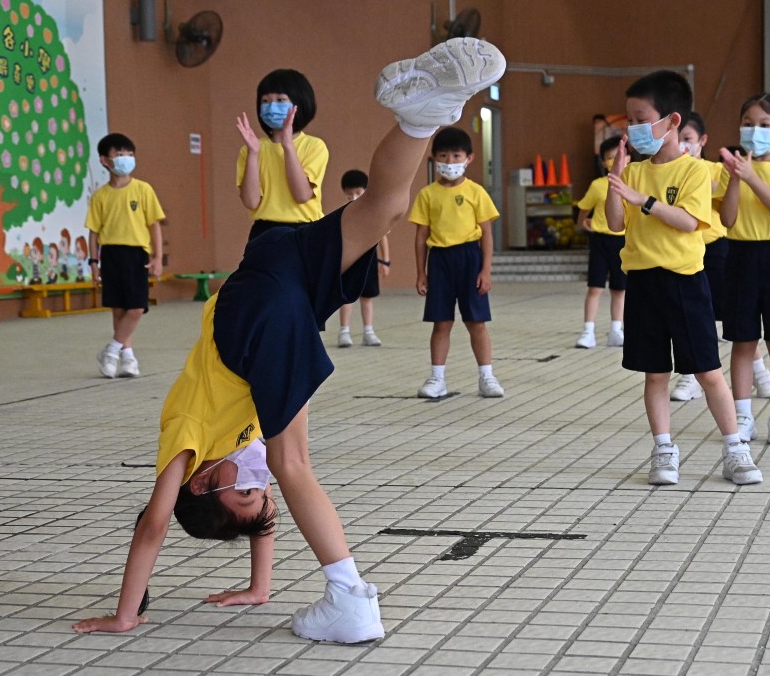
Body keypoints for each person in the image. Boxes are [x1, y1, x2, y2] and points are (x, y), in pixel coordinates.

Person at [71, 36, 507, 642]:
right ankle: (424, 114)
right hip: (280, 266)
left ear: (201, 481)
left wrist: (126, 615)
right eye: (258, 493)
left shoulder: (188, 442)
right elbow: (263, 524)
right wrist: (259, 587)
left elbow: (151, 525)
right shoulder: (238, 456)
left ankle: (351, 599)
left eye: (243, 488)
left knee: (292, 461)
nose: (257, 483)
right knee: (385, 206)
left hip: (253, 314)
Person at [605, 71, 761, 487]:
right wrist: (617, 181)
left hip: (684, 282)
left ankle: (735, 449)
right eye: (629, 120)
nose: (633, 128)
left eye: (641, 119)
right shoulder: (634, 172)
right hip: (643, 282)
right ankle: (663, 450)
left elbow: (691, 221)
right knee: (654, 373)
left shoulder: (693, 171)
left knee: (708, 371)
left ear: (672, 121)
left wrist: (646, 201)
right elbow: (615, 222)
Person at [716, 94, 770, 444]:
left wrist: (751, 176)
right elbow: (727, 218)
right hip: (738, 256)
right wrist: (737, 177)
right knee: (743, 340)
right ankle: (742, 415)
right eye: (748, 124)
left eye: (763, 125)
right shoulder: (732, 168)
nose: (754, 131)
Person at [671, 113, 770, 402]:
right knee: (689, 318)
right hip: (681, 253)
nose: (682, 145)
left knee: (737, 317)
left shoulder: (718, 170)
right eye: (678, 139)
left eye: (688, 139)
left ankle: (760, 372)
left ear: (702, 141)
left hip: (717, 251)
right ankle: (689, 377)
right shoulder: (668, 171)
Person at [411, 126, 504, 399]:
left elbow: (486, 233)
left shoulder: (476, 192)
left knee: (476, 322)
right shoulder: (427, 194)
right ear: (434, 158)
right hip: (439, 260)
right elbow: (420, 237)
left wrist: (486, 270)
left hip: (469, 258)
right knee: (441, 323)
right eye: (443, 156)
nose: (449, 162)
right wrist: (421, 272)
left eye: (455, 156)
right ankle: (436, 378)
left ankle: (486, 376)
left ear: (469, 158)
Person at [86, 133, 165, 379]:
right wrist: (94, 263)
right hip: (110, 254)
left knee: (137, 307)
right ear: (105, 160)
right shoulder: (100, 196)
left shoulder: (143, 189)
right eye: (120, 155)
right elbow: (93, 233)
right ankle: (128, 358)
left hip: (136, 254)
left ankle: (110, 350)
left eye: (130, 155)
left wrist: (158, 257)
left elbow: (154, 225)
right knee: (119, 308)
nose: (126, 159)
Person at [237, 69, 327, 242]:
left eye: (280, 100)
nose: (271, 106)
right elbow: (251, 202)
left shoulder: (314, 146)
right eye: (265, 101)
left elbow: (301, 196)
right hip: (263, 232)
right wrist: (253, 154)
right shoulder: (249, 149)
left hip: (303, 231)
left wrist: (287, 146)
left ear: (298, 104)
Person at [575, 135, 625, 349]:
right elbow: (583, 208)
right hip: (600, 241)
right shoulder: (598, 185)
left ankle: (616, 330)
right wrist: (582, 223)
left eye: (618, 156)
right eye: (609, 157)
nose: (613, 161)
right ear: (603, 162)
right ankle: (588, 331)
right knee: (595, 287)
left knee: (620, 289)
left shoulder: (634, 183)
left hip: (623, 241)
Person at [337, 169, 391, 347]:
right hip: (349, 259)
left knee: (367, 297)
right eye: (350, 194)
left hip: (369, 260)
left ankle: (368, 331)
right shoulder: (343, 213)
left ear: (366, 191)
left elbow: (382, 236)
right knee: (347, 297)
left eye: (358, 192)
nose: (354, 196)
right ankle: (344, 332)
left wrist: (385, 260)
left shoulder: (374, 213)